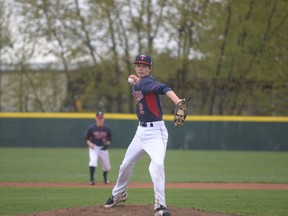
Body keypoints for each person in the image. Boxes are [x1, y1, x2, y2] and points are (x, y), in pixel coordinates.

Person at [104, 54, 183, 216]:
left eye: (144, 66)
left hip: (156, 132)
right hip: (140, 132)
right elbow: (139, 85)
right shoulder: (138, 83)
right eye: (138, 65)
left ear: (150, 68)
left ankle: (160, 206)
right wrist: (136, 79)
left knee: (157, 165)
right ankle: (119, 194)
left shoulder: (148, 84)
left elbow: (164, 88)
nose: (141, 68)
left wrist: (178, 102)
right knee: (125, 164)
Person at [84, 111, 112, 185]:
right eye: (99, 118)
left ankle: (104, 176)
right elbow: (86, 137)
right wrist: (89, 143)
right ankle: (91, 179)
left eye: (101, 118)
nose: (100, 119)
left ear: (103, 119)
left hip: (103, 148)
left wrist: (108, 144)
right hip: (94, 147)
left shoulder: (107, 128)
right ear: (96, 119)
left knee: (107, 167)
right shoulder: (91, 128)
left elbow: (110, 139)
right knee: (93, 161)